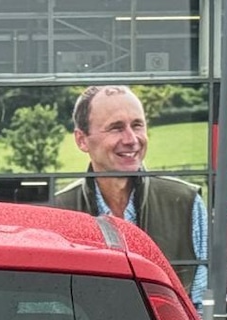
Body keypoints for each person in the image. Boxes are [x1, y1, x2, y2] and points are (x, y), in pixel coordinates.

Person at [53, 85, 208, 307]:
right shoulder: (58, 211)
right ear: (81, 140)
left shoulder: (186, 202)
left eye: (137, 125)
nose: (131, 139)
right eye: (116, 128)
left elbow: (199, 305)